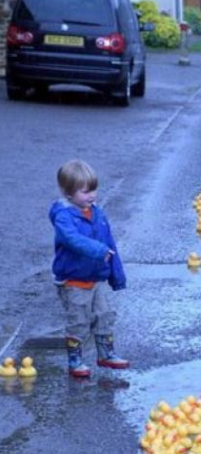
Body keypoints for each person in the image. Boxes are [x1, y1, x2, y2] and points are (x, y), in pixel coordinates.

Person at [49, 159, 128, 378]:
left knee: (104, 315)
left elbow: (110, 245)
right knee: (79, 321)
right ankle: (75, 360)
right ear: (68, 193)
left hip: (95, 278)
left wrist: (116, 275)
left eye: (93, 189)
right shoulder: (63, 217)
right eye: (85, 192)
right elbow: (72, 239)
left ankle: (105, 354)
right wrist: (97, 250)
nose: (91, 195)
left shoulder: (97, 214)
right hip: (74, 281)